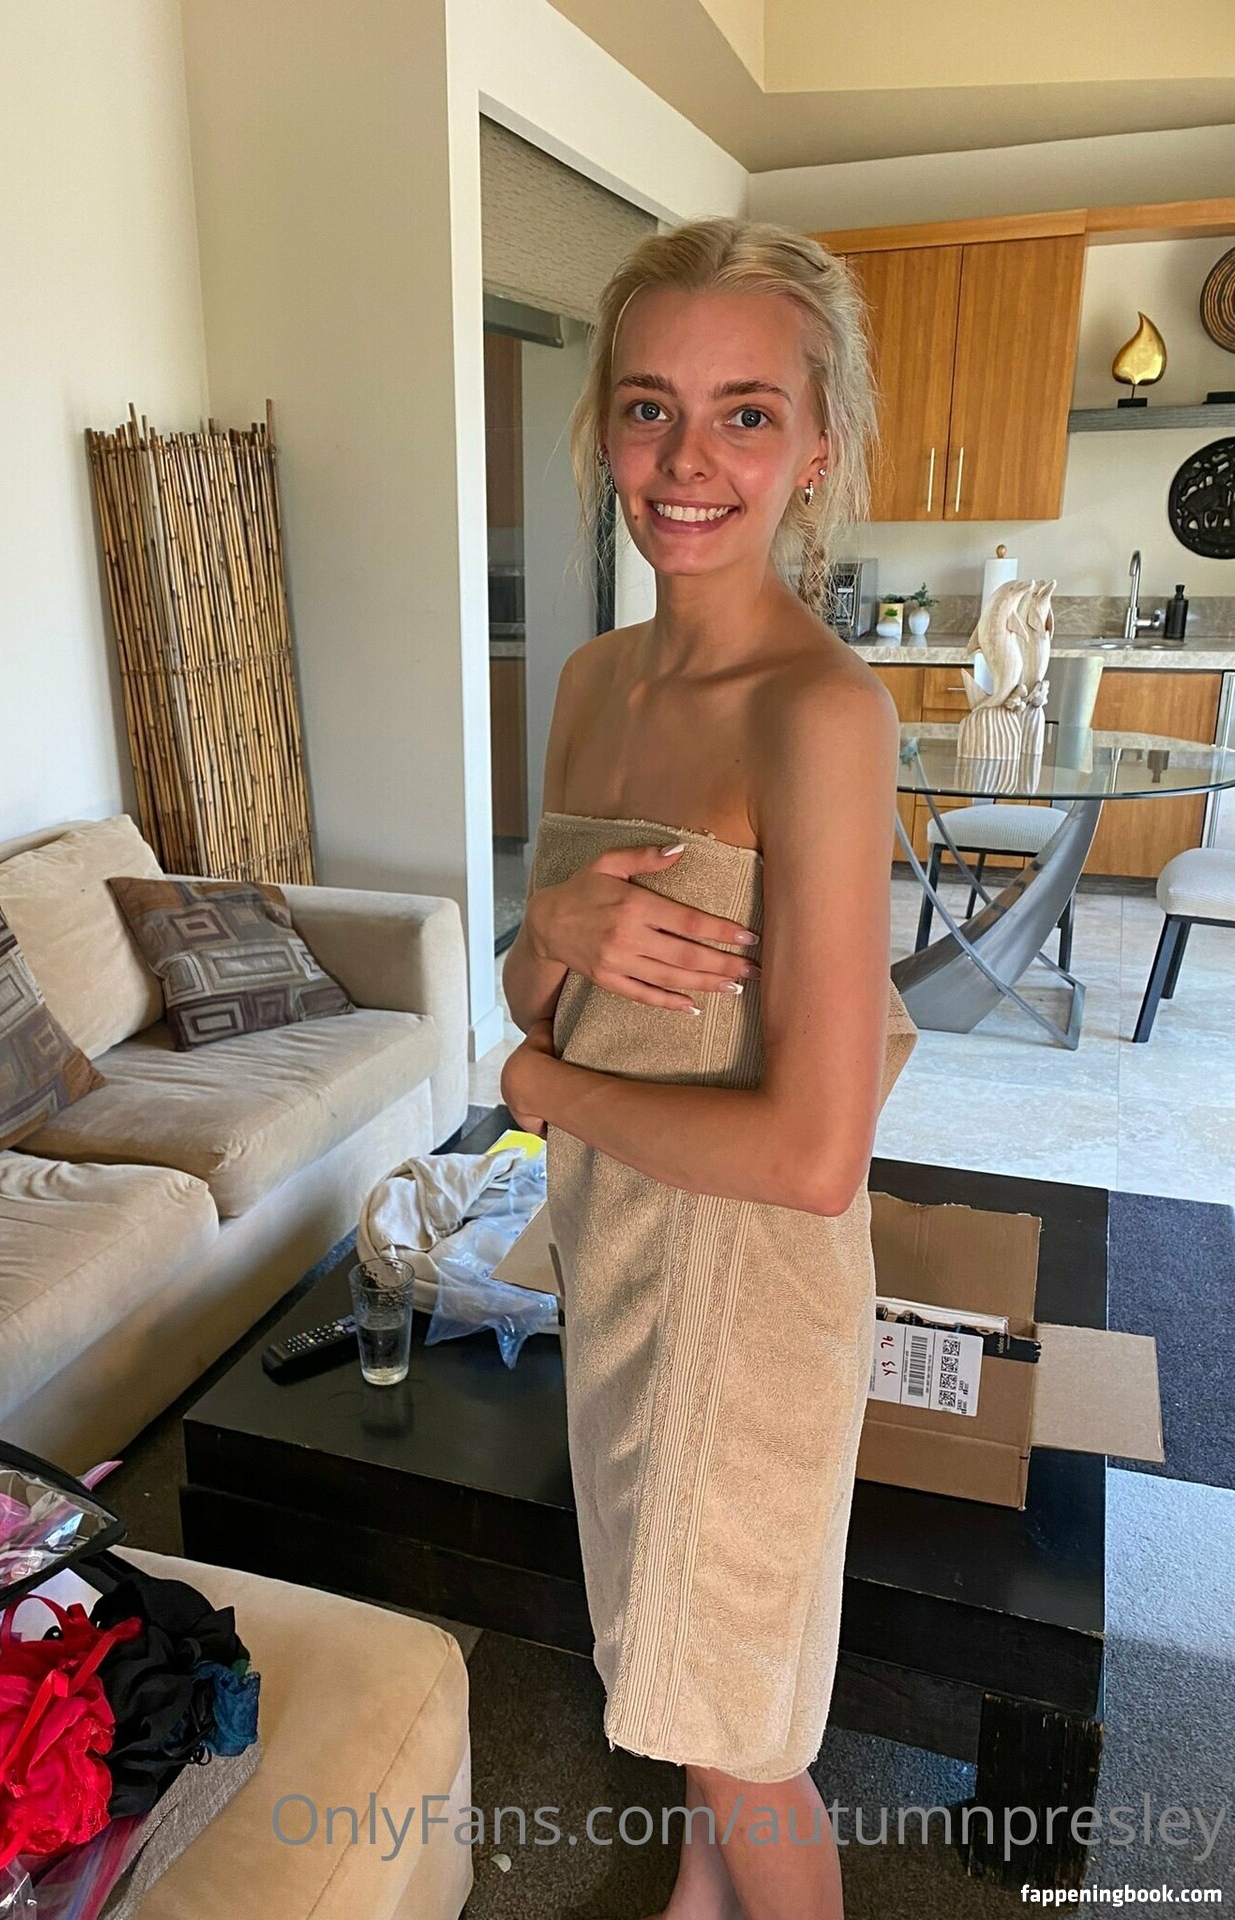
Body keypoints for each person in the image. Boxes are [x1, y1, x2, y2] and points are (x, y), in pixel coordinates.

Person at [499, 217, 917, 1920]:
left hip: (745, 1298)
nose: (688, 461)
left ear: (815, 448)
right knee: (672, 1676)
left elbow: (815, 1155)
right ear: (604, 425)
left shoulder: (818, 715)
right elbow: (539, 1001)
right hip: (616, 1257)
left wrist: (538, 1100)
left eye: (746, 414)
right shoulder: (593, 679)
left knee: (742, 1731)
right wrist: (552, 928)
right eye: (650, 407)